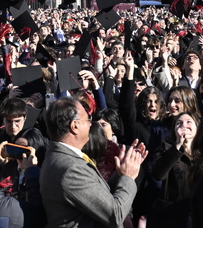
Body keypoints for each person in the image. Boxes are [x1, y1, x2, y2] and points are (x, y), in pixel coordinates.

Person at [39, 97, 147, 227]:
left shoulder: (60, 157)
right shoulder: (71, 169)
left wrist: (119, 174)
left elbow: (94, 195)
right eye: (88, 120)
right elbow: (115, 214)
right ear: (74, 126)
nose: (91, 124)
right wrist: (128, 177)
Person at [148, 112, 198, 227]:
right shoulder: (165, 148)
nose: (183, 125)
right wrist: (178, 146)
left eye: (189, 122)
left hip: (194, 215)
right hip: (169, 216)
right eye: (178, 123)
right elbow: (158, 174)